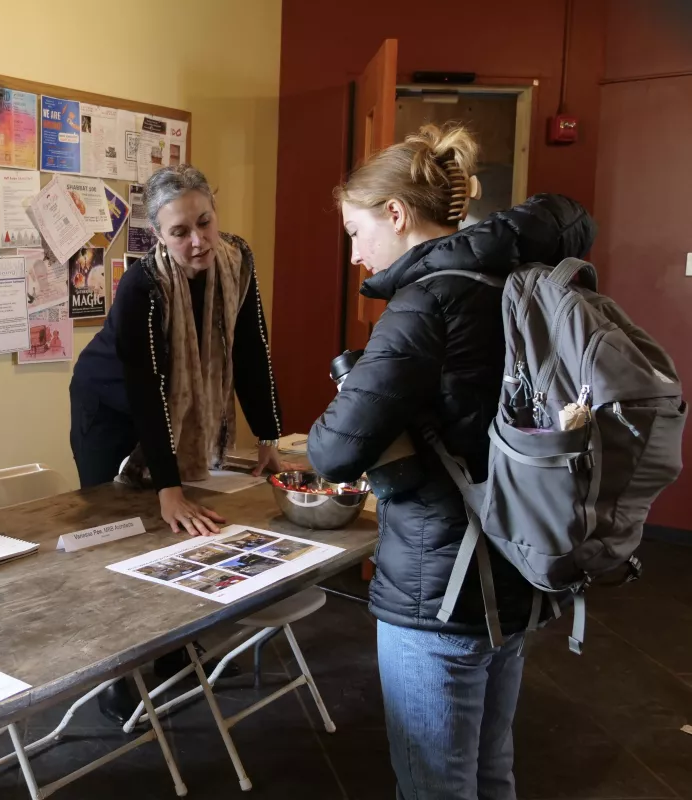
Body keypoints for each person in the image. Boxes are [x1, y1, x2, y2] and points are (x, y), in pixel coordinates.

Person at [306, 123, 596, 800]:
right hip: (519, 564)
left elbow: (333, 449)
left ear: (397, 214)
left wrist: (359, 394)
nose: (354, 254)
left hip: (440, 588)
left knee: (436, 786)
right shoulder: (516, 279)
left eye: (354, 231)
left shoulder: (425, 302)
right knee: (491, 771)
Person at [69, 164, 288, 721]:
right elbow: (148, 390)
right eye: (179, 232)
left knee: (180, 543)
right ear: (158, 237)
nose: (197, 242)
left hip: (177, 413)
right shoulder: (143, 284)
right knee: (121, 541)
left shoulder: (237, 260)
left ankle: (175, 654)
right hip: (112, 410)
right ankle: (118, 676)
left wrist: (268, 436)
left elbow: (250, 348)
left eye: (204, 223)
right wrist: (168, 486)